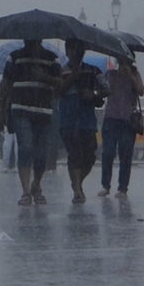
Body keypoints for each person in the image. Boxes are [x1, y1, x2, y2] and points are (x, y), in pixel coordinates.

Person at [0, 39, 63, 205]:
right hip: (20, 109)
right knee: (25, 147)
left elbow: (61, 84)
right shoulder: (15, 57)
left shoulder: (51, 58)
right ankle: (25, 191)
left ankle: (36, 185)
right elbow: (6, 83)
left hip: (44, 111)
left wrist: (44, 77)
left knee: (41, 153)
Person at [55, 39, 107, 204]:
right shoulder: (61, 71)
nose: (77, 53)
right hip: (67, 120)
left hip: (87, 121)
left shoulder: (93, 70)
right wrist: (73, 77)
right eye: (74, 49)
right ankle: (77, 190)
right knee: (74, 154)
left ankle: (77, 182)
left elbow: (106, 88)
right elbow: (57, 91)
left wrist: (95, 95)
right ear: (68, 51)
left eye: (80, 50)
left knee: (90, 155)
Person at [98, 56, 144, 198]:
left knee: (126, 154)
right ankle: (105, 185)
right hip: (111, 118)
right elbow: (104, 90)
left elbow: (141, 90)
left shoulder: (135, 74)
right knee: (108, 153)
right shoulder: (111, 74)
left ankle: (123, 187)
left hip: (127, 120)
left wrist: (130, 75)